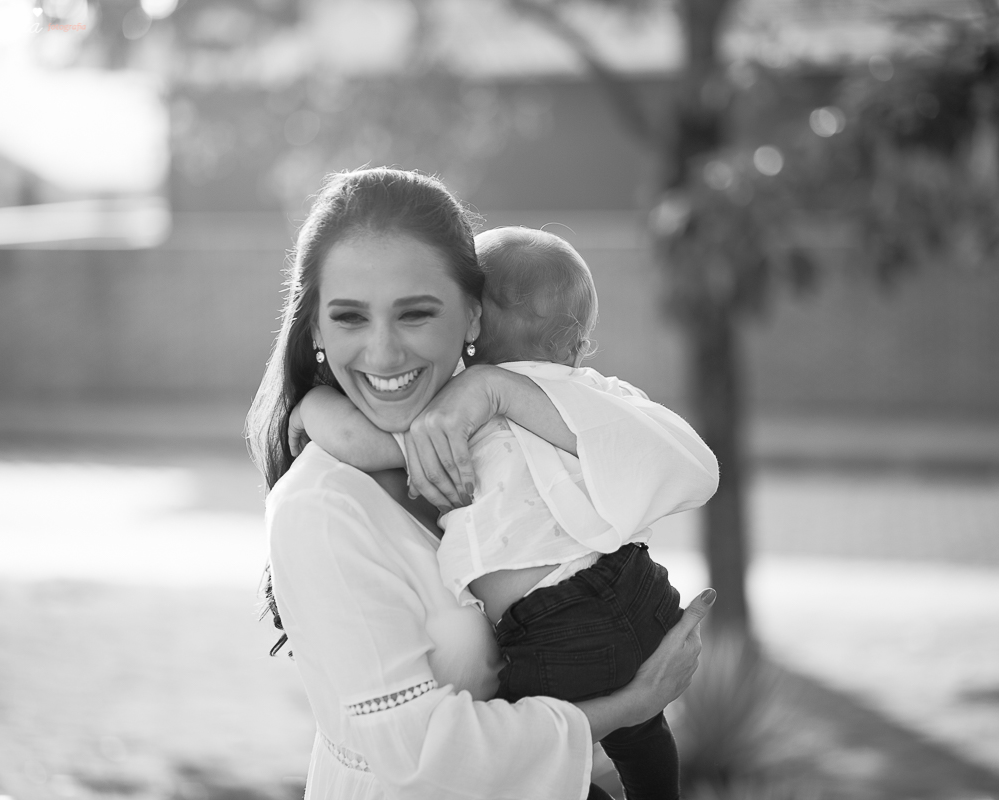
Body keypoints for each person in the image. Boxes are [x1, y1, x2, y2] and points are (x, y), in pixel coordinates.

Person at [247, 167, 715, 800]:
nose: (383, 354)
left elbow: (688, 468)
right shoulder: (322, 508)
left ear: (473, 317)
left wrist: (496, 389)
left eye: (415, 313)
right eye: (350, 318)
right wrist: (633, 705)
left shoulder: (508, 413)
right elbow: (422, 758)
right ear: (316, 332)